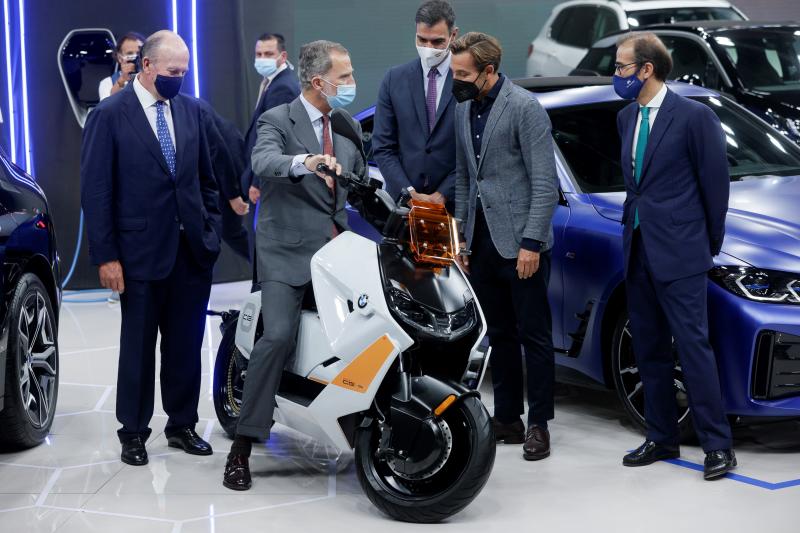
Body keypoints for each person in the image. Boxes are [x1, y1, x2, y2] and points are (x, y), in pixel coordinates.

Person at [223, 40, 365, 491]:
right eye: (343, 77)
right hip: (286, 251)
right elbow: (262, 162)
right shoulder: (276, 120)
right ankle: (242, 446)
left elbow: (357, 184)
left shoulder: (345, 126)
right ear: (317, 81)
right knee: (279, 335)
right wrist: (305, 161)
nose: (350, 84)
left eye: (350, 75)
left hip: (336, 253)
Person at [81, 30, 222, 467]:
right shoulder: (109, 115)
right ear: (147, 66)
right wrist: (106, 256)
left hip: (191, 252)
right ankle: (134, 432)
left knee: (185, 344)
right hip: (138, 254)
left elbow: (206, 180)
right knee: (138, 347)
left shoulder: (192, 111)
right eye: (172, 72)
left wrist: (210, 230)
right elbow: (97, 190)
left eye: (184, 71)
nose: (180, 78)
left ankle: (181, 425)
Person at [613, 32, 735, 480]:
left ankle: (717, 445)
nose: (617, 74)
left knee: (693, 348)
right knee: (649, 349)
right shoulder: (626, 117)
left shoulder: (693, 117)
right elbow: (636, 187)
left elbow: (714, 187)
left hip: (682, 253)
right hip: (639, 248)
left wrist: (707, 246)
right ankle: (661, 437)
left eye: (623, 67)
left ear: (647, 69)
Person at [451, 32, 559, 461]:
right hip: (480, 242)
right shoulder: (463, 109)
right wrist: (460, 237)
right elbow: (464, 178)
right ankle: (508, 417)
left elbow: (544, 184)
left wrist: (531, 242)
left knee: (535, 335)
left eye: (463, 74)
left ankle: (540, 424)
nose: (456, 81)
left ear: (489, 71)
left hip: (521, 244)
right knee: (499, 334)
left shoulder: (524, 108)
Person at [373, 0, 458, 213]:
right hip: (405, 207)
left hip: (455, 206)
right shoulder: (395, 79)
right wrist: (408, 192)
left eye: (437, 41)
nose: (428, 48)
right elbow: (383, 146)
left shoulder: (465, 79)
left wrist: (443, 194)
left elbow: (476, 151)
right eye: (422, 39)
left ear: (453, 36)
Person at [241, 32, 301, 289]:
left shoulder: (282, 87)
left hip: (267, 180)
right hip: (265, 177)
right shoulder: (272, 82)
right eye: (259, 54)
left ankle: (264, 292)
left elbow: (274, 139)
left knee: (264, 243)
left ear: (282, 56)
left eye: (268, 54)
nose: (262, 59)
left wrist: (258, 180)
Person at [98, 32, 145, 101]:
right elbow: (106, 109)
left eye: (138, 53)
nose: (136, 57)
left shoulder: (153, 78)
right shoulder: (107, 83)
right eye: (130, 53)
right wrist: (121, 81)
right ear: (120, 57)